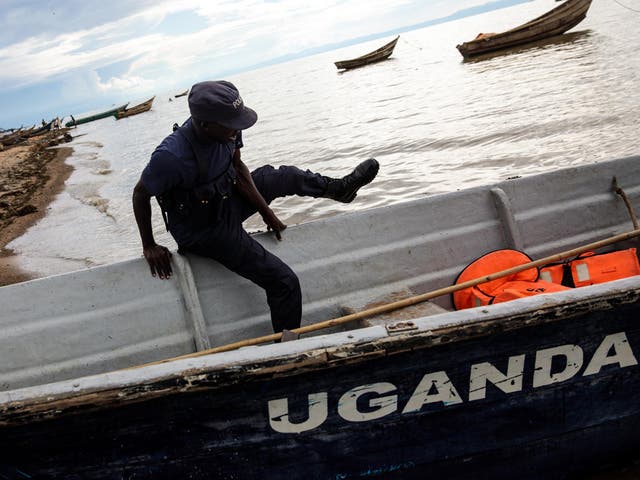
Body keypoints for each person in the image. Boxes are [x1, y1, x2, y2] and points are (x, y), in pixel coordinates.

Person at [132, 80, 379, 334]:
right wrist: (149, 245)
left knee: (283, 176)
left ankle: (339, 189)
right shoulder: (171, 157)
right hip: (205, 231)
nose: (238, 128)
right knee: (285, 282)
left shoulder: (229, 125)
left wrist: (266, 211)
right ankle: (288, 355)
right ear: (204, 124)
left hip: (226, 199)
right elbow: (140, 194)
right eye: (232, 125)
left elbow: (237, 169)